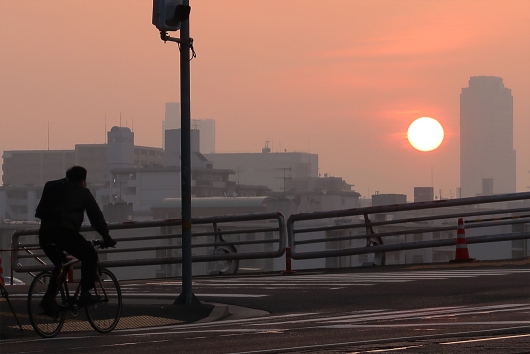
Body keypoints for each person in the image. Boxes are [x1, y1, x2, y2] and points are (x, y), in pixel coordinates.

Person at [36, 166, 116, 311]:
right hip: (64, 234)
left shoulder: (53, 187)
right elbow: (96, 218)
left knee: (61, 266)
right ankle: (85, 294)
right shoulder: (83, 193)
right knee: (90, 255)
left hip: (45, 234)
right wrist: (107, 237)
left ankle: (49, 299)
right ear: (83, 180)